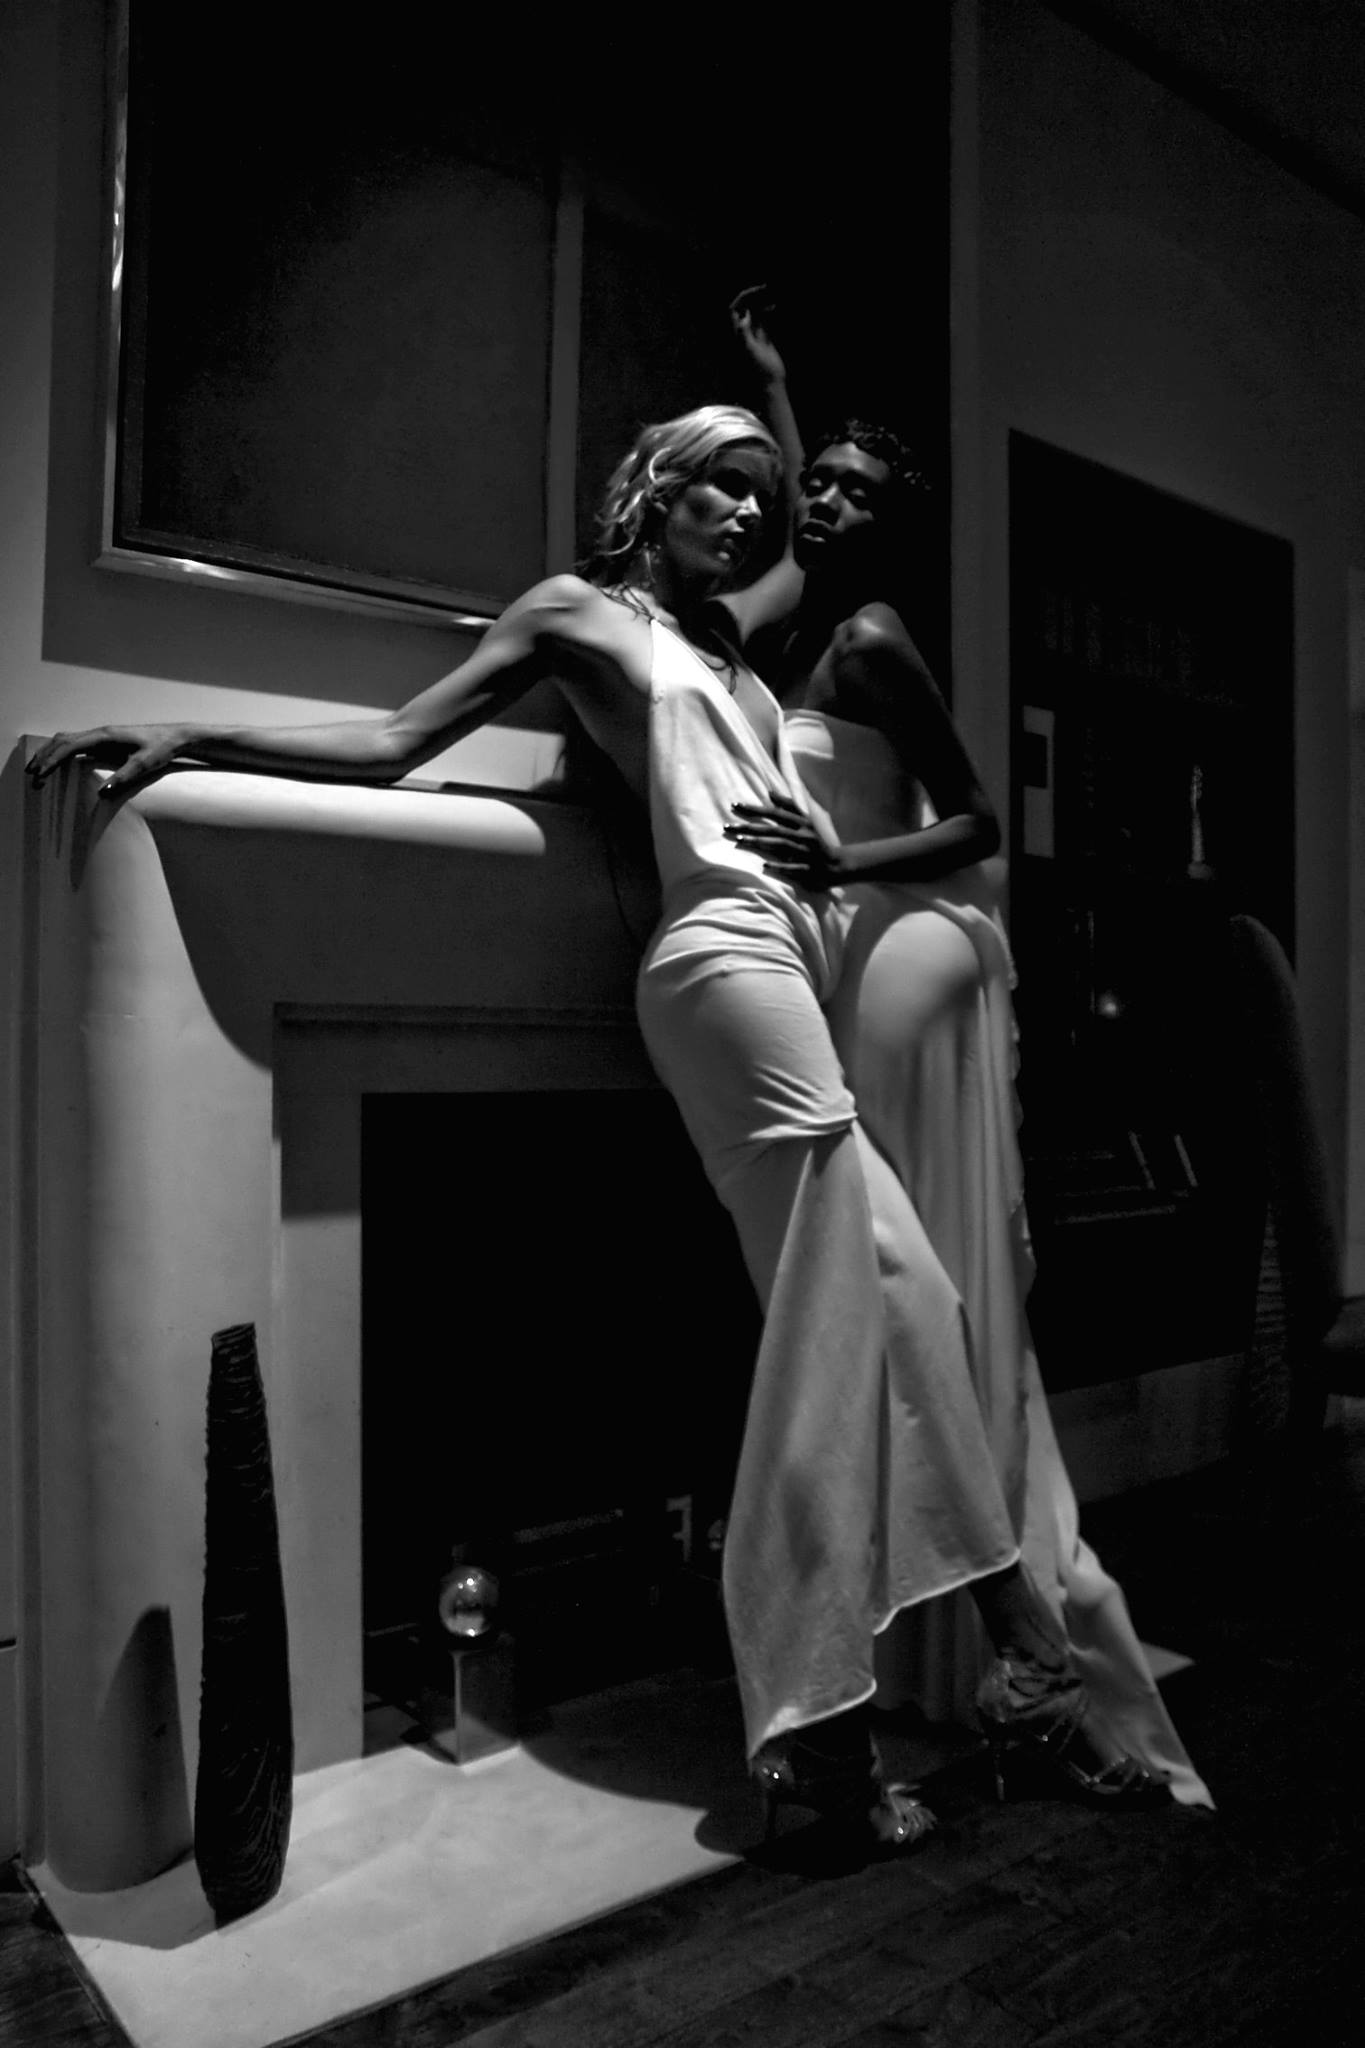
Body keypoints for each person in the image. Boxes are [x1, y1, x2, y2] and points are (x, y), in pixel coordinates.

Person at [29, 402, 1174, 1852]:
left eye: (769, 496)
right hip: (724, 967)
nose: (756, 515)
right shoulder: (578, 612)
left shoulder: (729, 644)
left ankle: (922, 1710)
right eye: (728, 488)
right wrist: (186, 736)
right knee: (860, 1324)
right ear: (656, 488)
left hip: (789, 968)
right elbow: (396, 739)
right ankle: (915, 1699)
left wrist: (783, 409)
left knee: (898, 1309)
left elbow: (818, 563)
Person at [724, 298, 1212, 1806]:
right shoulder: (793, 624)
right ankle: (956, 1639)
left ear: (897, 530)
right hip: (851, 953)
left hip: (898, 954)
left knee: (912, 1284)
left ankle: (989, 1638)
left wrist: (838, 867)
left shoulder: (870, 639)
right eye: (821, 482)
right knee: (896, 1287)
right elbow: (791, 523)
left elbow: (980, 819)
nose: (825, 500)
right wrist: (782, 393)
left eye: (859, 494)